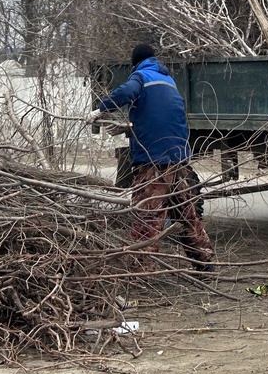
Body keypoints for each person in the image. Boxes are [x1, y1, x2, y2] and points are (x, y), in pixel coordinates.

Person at [91, 43, 214, 271]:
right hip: (177, 158)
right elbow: (160, 118)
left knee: (147, 214)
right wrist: (129, 127)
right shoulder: (168, 81)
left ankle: (137, 271)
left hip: (154, 160)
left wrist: (102, 108)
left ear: (135, 63)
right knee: (186, 213)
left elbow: (127, 93)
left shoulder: (141, 76)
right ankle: (204, 261)